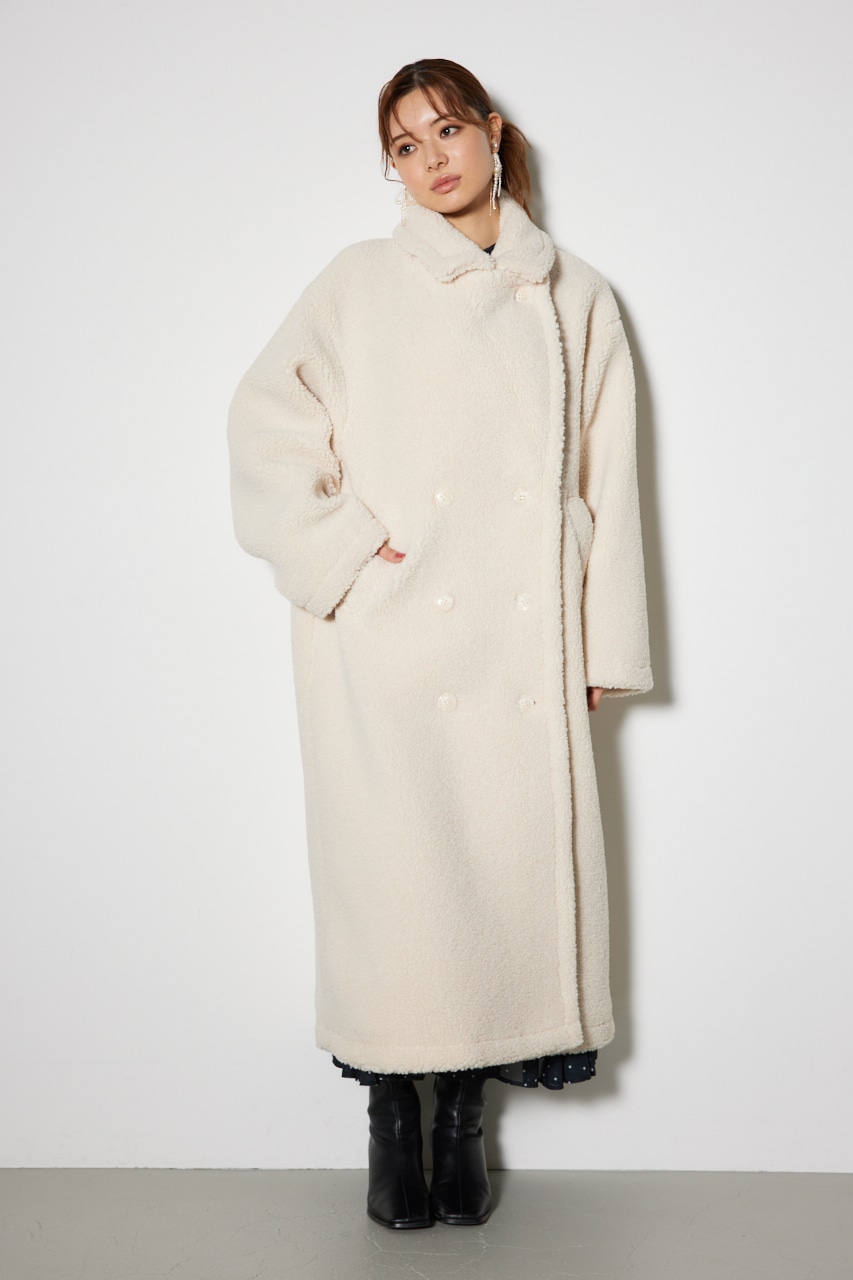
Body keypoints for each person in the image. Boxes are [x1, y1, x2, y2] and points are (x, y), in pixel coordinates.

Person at [227, 58, 652, 1230]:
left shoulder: (573, 296)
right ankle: (387, 1117)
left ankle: (460, 1117)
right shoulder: (356, 283)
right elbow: (264, 428)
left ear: (492, 133)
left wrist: (598, 645)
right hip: (384, 641)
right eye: (405, 147)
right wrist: (348, 550)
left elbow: (608, 479)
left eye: (446, 131)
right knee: (396, 890)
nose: (431, 160)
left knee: (493, 891)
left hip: (518, 646)